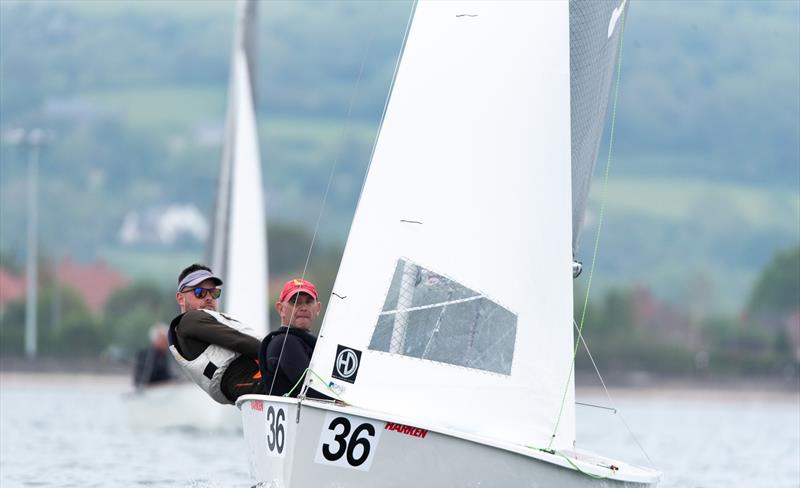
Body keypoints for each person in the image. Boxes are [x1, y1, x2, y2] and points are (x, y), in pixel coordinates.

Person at [168, 263, 264, 404]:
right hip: (242, 380)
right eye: (199, 292)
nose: (208, 297)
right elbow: (237, 341)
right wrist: (277, 352)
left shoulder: (208, 320)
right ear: (181, 298)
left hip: (249, 380)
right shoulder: (190, 320)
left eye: (214, 292)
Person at [260, 278, 325, 397]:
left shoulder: (305, 342)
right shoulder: (286, 342)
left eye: (309, 301)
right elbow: (311, 389)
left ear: (318, 308)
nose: (304, 307)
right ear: (281, 309)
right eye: (295, 302)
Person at [132, 323, 174, 388]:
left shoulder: (164, 355)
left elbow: (166, 375)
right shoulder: (146, 355)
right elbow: (143, 377)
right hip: (149, 391)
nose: (166, 341)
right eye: (163, 339)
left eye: (167, 338)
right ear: (155, 339)